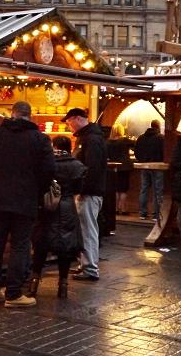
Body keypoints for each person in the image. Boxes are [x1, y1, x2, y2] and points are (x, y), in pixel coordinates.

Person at [0, 101, 55, 308]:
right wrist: (39, 189)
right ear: (30, 116)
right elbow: (50, 170)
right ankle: (14, 294)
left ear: (13, 114)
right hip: (24, 200)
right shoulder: (40, 139)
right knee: (19, 246)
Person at [29, 135, 86, 299]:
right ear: (70, 147)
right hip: (67, 207)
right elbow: (78, 188)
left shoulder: (47, 164)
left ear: (54, 146)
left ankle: (33, 282)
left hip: (47, 206)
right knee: (65, 248)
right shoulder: (77, 166)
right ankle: (63, 285)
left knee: (41, 244)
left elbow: (39, 182)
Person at [61, 107, 107, 282]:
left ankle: (90, 268)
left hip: (88, 193)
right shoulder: (89, 137)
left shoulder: (91, 139)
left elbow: (92, 168)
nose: (69, 125)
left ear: (78, 119)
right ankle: (85, 264)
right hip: (88, 191)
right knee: (84, 230)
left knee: (87, 230)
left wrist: (82, 189)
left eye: (69, 121)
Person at [134, 119, 164, 220]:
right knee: (157, 191)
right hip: (158, 166)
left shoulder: (141, 137)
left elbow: (136, 152)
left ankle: (142, 213)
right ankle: (156, 214)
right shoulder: (161, 138)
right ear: (158, 127)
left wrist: (142, 160)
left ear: (150, 126)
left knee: (144, 189)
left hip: (144, 166)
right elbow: (165, 152)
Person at [106, 123, 134, 215]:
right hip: (124, 167)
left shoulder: (107, 142)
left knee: (115, 189)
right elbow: (136, 145)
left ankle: (115, 209)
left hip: (113, 167)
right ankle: (123, 209)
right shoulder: (124, 140)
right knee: (123, 189)